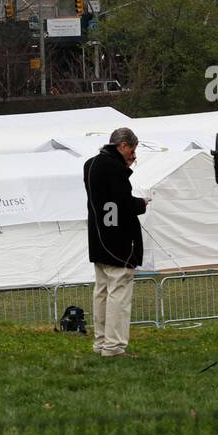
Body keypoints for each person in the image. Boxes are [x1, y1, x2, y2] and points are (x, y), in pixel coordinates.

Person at [83, 128, 150, 357]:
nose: (133, 156)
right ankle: (114, 346)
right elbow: (122, 203)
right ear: (122, 146)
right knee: (118, 295)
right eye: (132, 151)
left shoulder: (90, 165)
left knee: (101, 292)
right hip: (119, 242)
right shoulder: (115, 168)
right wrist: (141, 203)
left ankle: (101, 342)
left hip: (98, 238)